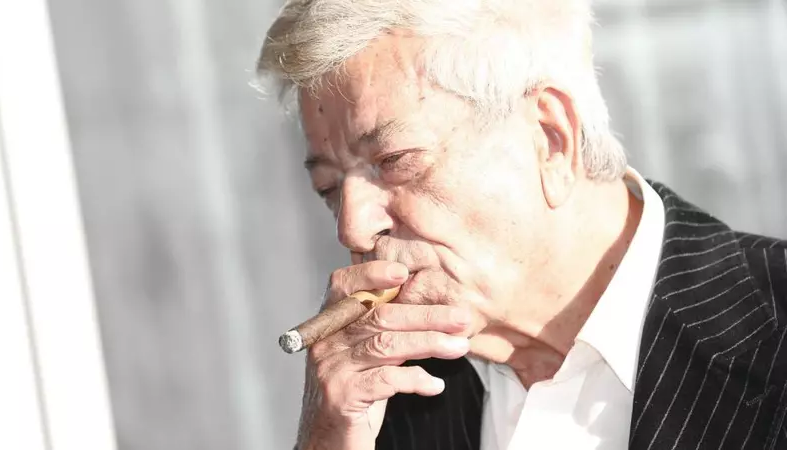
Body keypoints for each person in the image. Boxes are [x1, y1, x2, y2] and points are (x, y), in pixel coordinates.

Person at [255, 1, 787, 449]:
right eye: (328, 188)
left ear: (551, 138)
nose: (353, 228)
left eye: (394, 161)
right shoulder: (374, 403)